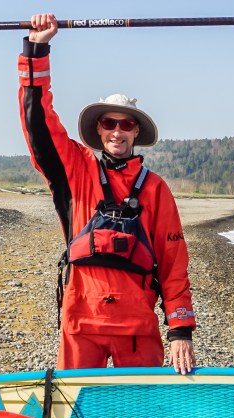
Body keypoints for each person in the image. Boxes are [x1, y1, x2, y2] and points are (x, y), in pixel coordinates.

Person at [18, 13, 197, 374]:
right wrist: (37, 50)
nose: (118, 131)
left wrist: (180, 330)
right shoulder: (74, 169)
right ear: (99, 130)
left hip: (138, 328)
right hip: (81, 323)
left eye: (126, 124)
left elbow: (174, 261)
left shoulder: (156, 188)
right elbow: (39, 121)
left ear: (135, 132)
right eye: (109, 123)